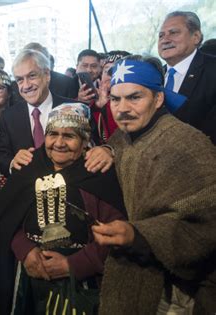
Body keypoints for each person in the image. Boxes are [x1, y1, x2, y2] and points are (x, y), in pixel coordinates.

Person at [92, 56, 216, 314]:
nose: (122, 108)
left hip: (179, 291)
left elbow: (207, 217)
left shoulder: (188, 144)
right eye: (115, 99)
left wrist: (139, 234)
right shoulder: (126, 135)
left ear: (158, 99)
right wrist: (107, 148)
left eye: (134, 97)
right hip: (135, 276)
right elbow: (120, 143)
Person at [0, 103, 126, 314]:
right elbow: (5, 218)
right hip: (28, 278)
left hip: (82, 285)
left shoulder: (98, 175)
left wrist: (74, 265)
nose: (59, 143)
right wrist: (26, 251)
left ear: (85, 141)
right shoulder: (29, 169)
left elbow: (116, 233)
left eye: (69, 136)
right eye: (53, 134)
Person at [0, 49, 112, 178]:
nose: (26, 85)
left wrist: (106, 151)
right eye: (20, 80)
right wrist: (12, 163)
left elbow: (96, 148)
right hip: (27, 192)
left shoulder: (77, 109)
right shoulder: (9, 116)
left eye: (32, 76)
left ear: (47, 75)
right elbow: (1, 156)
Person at [158, 11, 216, 143]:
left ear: (196, 36)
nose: (165, 40)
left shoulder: (212, 70)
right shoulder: (153, 76)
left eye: (173, 32)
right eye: (161, 35)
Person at [89, 50, 130, 144]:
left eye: (115, 70)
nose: (109, 75)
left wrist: (106, 106)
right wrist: (96, 106)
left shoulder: (134, 102)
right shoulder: (94, 102)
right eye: (106, 70)